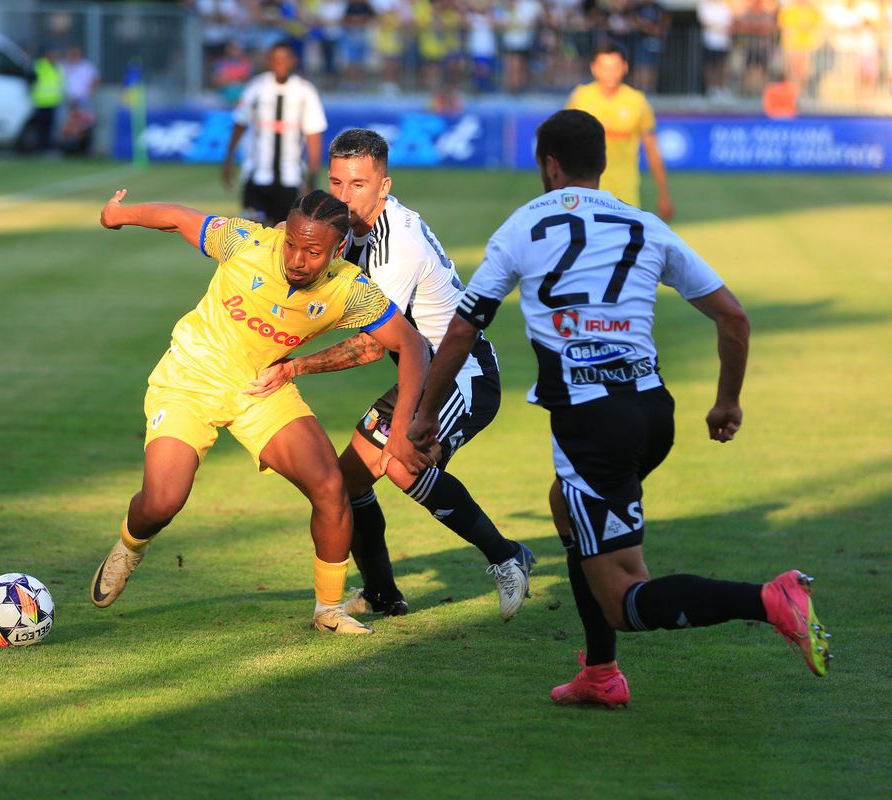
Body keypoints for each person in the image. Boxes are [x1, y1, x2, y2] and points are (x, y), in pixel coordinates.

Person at [408, 109, 831, 708]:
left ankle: (768, 599)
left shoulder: (522, 225)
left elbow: (462, 331)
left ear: (549, 166)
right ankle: (600, 673)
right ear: (602, 164)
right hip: (654, 412)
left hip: (591, 422)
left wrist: (425, 416)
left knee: (628, 598)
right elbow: (733, 317)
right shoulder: (644, 224)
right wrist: (726, 401)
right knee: (565, 504)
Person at [93, 188, 433, 635]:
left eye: (313, 251)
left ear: (339, 249)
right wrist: (116, 214)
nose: (295, 258)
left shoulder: (350, 289)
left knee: (331, 485)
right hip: (190, 380)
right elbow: (177, 215)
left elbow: (411, 346)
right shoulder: (245, 242)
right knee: (162, 502)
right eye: (291, 243)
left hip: (260, 388)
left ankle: (328, 609)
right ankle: (130, 544)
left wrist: (404, 425)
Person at [247, 128, 535, 620]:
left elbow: (368, 347)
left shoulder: (395, 245)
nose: (344, 195)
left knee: (404, 464)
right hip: (419, 375)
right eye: (336, 182)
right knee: (346, 483)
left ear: (384, 186)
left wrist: (293, 367)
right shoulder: (346, 229)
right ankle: (382, 594)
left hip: (460, 374)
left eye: (359, 184)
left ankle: (507, 557)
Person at [223, 41, 327, 225]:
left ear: (293, 61)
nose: (281, 64)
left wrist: (312, 176)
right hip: (256, 179)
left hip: (290, 180)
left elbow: (313, 135)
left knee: (284, 240)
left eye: (285, 59)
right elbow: (240, 123)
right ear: (269, 62)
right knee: (251, 239)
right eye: (276, 59)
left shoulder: (305, 92)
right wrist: (229, 159)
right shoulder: (256, 88)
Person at [567, 42, 674, 221]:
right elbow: (564, 145)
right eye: (604, 67)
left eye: (615, 67)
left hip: (625, 196)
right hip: (586, 195)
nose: (610, 73)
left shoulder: (637, 102)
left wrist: (663, 193)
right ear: (594, 68)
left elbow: (652, 150)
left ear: (625, 67)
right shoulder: (580, 98)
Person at [29, 46, 63, 152]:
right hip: (41, 102)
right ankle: (40, 147)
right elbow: (31, 80)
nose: (55, 57)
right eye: (53, 54)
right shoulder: (39, 65)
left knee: (50, 127)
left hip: (53, 102)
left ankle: (47, 147)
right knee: (41, 127)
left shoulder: (57, 67)